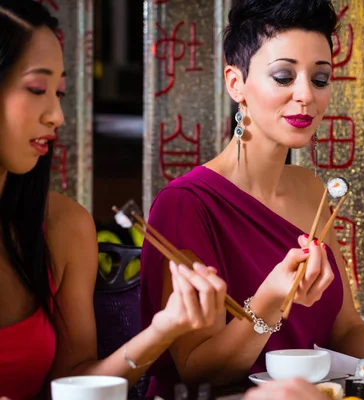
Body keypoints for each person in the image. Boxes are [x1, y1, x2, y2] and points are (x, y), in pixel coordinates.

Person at [140, 0, 364, 396]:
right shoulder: (186, 204)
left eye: (320, 79)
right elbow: (197, 369)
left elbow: (345, 331)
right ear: (235, 83)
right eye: (283, 76)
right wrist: (270, 300)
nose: (305, 95)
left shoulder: (311, 188)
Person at [0, 1, 226, 398]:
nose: (57, 115)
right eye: (37, 89)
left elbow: (73, 382)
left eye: (60, 92)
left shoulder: (62, 226)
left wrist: (165, 327)